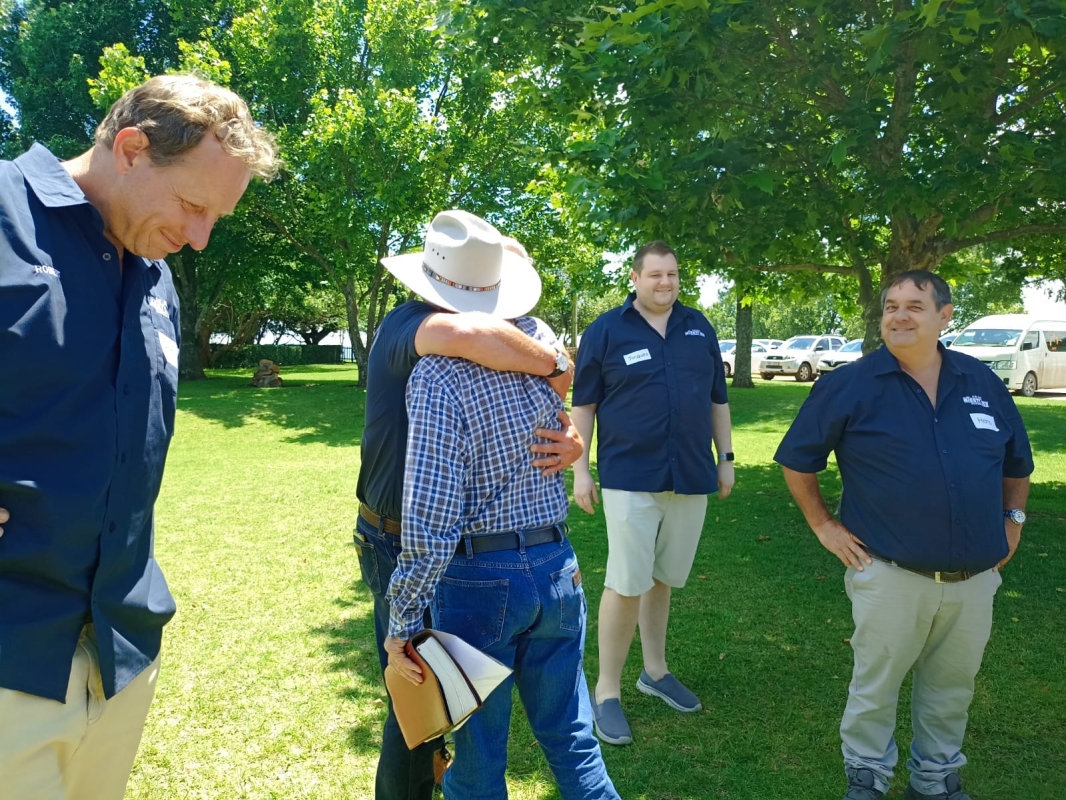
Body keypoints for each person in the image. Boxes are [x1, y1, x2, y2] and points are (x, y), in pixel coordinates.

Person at [0, 75, 279, 799]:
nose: (199, 238)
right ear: (130, 148)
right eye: (192, 205)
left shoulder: (154, 273)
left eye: (216, 217)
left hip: (120, 650)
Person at [382, 208, 618, 800]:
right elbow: (564, 437)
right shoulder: (543, 357)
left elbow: (431, 516)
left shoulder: (436, 376)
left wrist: (402, 622)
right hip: (556, 565)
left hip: (477, 579)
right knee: (572, 737)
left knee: (478, 762)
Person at [774, 270, 1034, 800]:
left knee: (952, 687)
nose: (899, 316)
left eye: (914, 306)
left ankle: (935, 779)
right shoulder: (849, 384)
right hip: (889, 571)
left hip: (974, 578)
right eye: (891, 306)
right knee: (877, 683)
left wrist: (1013, 522)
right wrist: (823, 525)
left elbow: (1017, 464)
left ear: (945, 316)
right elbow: (798, 460)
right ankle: (866, 777)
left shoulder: (981, 382)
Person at [570, 240, 735, 747]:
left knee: (662, 579)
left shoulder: (698, 327)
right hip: (629, 476)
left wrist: (726, 458)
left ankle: (655, 672)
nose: (666, 282)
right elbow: (584, 406)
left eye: (673, 274)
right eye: (656, 274)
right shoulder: (606, 331)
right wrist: (580, 470)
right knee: (625, 583)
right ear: (635, 278)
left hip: (691, 476)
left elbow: (718, 399)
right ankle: (607, 691)